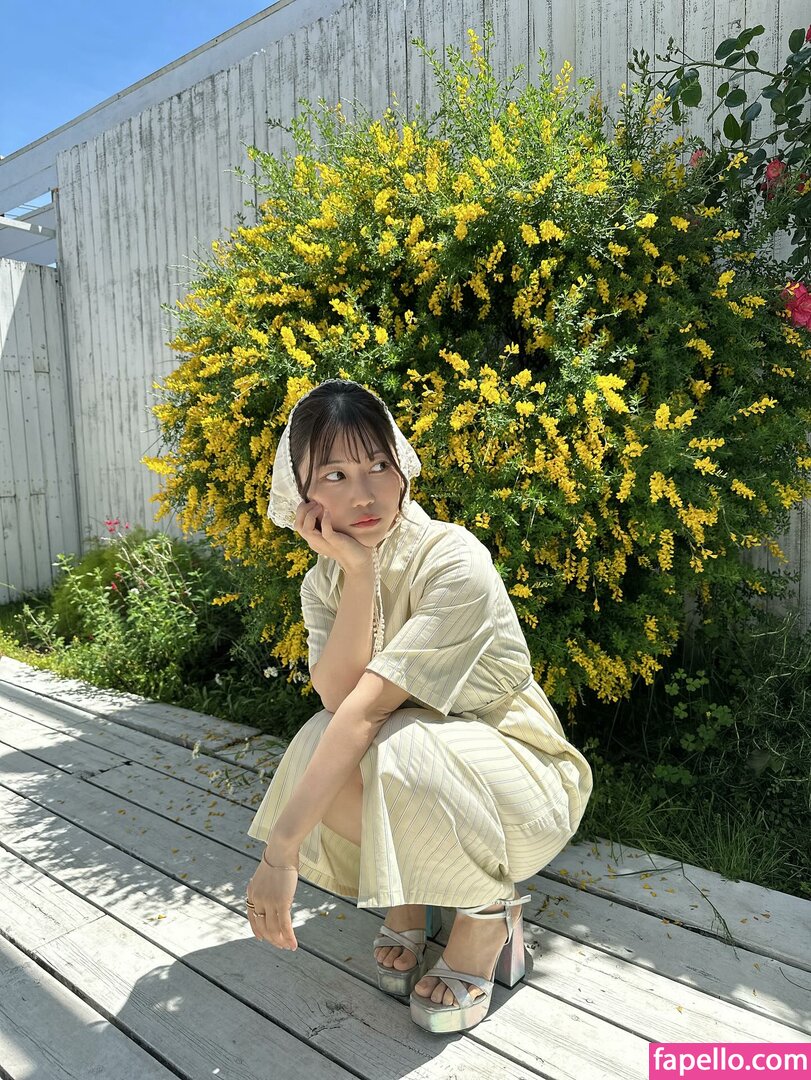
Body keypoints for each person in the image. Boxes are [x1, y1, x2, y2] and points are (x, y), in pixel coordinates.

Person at [245, 378, 593, 1033]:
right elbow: (338, 703)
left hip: (520, 777)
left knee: (395, 740)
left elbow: (368, 713)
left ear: (402, 467)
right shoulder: (323, 581)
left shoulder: (451, 557)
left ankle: (486, 915)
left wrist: (279, 854)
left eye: (379, 465)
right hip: (417, 765)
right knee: (319, 737)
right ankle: (408, 890)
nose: (364, 493)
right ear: (303, 496)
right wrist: (358, 575)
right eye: (335, 475)